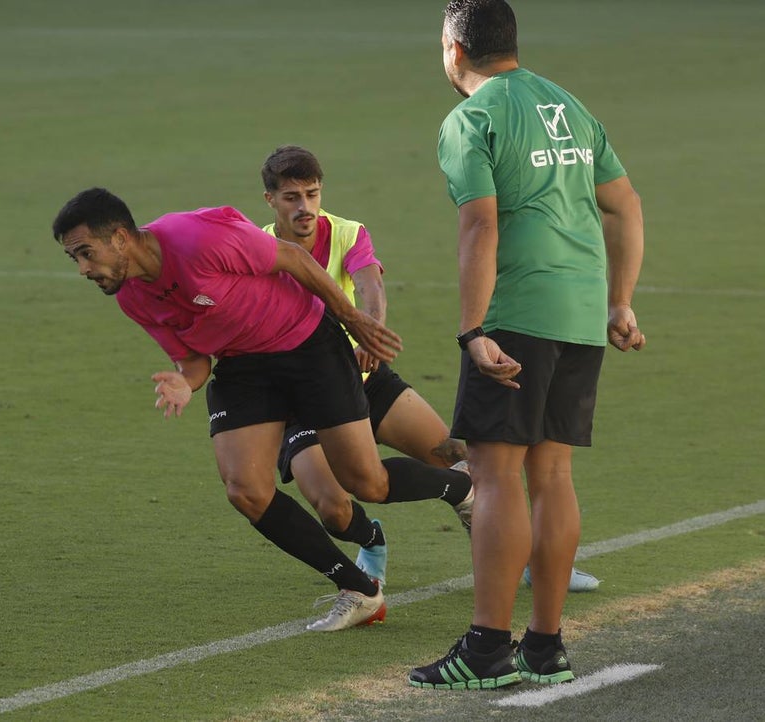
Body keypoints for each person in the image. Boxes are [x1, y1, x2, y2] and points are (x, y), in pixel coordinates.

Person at [55, 188, 426, 632]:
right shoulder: (131, 295)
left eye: (85, 253)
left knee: (365, 482)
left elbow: (290, 256)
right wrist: (184, 382)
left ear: (119, 238)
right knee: (245, 490)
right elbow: (194, 361)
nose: (83, 269)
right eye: (74, 258)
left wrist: (352, 317)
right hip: (242, 366)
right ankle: (360, 589)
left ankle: (463, 488)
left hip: (305, 344)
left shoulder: (195, 238)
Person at [409, 0, 645, 690]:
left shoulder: (471, 118)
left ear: (455, 48)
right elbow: (625, 203)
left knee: (493, 474)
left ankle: (487, 648)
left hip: (516, 312)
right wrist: (620, 301)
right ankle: (545, 648)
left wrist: (473, 329)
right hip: (578, 314)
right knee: (553, 476)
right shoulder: (568, 105)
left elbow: (481, 225)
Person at [259, 145, 473, 587]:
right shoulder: (257, 250)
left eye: (313, 195)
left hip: (363, 376)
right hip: (300, 401)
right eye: (292, 197)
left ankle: (523, 554)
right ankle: (370, 538)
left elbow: (369, 286)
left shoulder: (347, 233)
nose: (305, 208)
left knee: (459, 458)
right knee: (332, 508)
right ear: (270, 200)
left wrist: (371, 331)